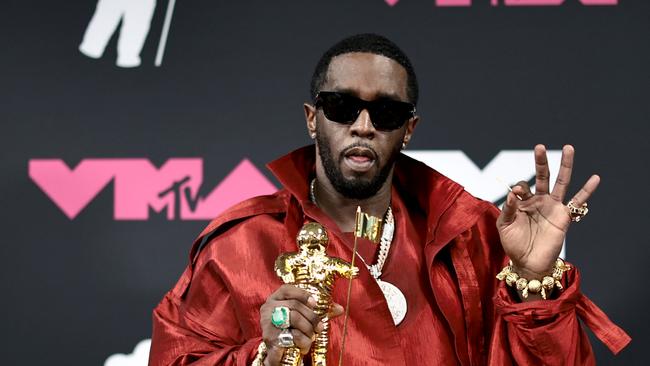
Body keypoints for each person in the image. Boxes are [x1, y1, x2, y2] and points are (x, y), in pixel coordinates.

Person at [148, 33, 630, 365]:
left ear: (408, 129)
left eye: (385, 112)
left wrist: (534, 284)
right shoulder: (240, 245)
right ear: (313, 119)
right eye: (341, 107)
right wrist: (261, 356)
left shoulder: (476, 237)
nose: (362, 125)